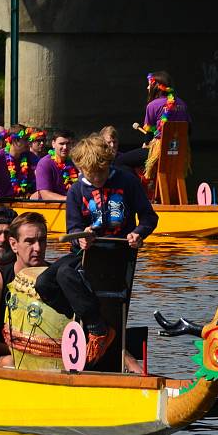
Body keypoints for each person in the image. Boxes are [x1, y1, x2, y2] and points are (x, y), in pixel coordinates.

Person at [37, 134, 158, 371]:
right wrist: (81, 237)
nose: (98, 179)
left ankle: (96, 327)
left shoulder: (127, 181)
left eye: (102, 173)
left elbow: (149, 216)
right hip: (87, 252)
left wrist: (138, 233)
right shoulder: (75, 191)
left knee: (64, 275)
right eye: (92, 175)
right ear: (81, 168)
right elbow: (72, 229)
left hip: (119, 253)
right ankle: (96, 324)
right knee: (44, 283)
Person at [0, 212, 48, 363]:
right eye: (30, 242)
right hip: (6, 358)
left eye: (42, 240)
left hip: (49, 355)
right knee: (12, 362)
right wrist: (23, 350)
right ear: (13, 244)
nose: (38, 248)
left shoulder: (59, 278)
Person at [32, 129, 78, 200]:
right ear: (53, 144)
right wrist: (69, 199)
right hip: (52, 208)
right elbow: (45, 195)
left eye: (68, 143)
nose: (65, 147)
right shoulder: (44, 163)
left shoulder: (74, 162)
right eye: (61, 144)